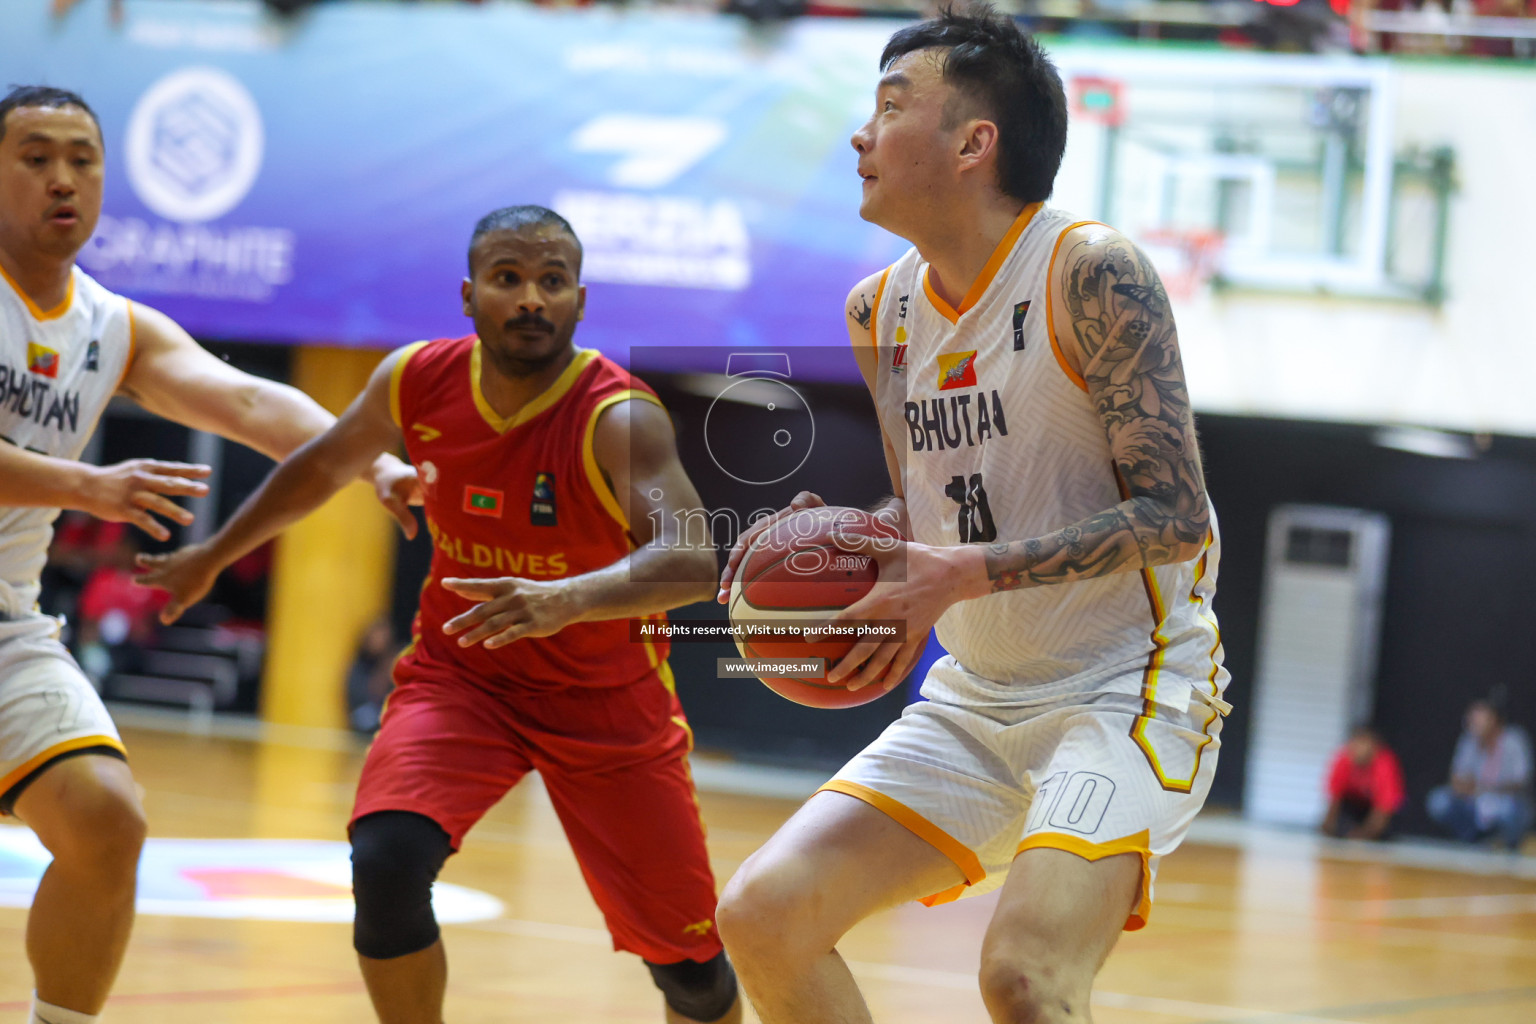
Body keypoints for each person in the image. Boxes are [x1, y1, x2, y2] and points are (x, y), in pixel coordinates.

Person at [712, 9, 1229, 1023]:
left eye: (889, 108)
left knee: (1025, 976)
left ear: (973, 142)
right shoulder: (880, 311)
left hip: (1126, 688)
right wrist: (848, 542)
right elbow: (935, 509)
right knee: (762, 913)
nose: (861, 135)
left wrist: (969, 571)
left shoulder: (1092, 274)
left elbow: (1174, 514)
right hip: (974, 699)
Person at [136, 206, 742, 1024]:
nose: (532, 298)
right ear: (469, 295)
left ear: (579, 301)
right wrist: (210, 556)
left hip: (606, 705)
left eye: (552, 281)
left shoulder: (617, 415)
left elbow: (693, 558)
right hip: (464, 683)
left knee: (692, 975)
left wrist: (565, 599)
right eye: (509, 278)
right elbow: (319, 468)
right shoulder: (414, 379)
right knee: (385, 861)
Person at [0, 85, 418, 1024]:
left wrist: (375, 463)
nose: (64, 178)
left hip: (6, 628)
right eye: (35, 157)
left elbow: (249, 405)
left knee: (107, 820)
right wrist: (88, 487)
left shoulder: (111, 326)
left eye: (82, 159)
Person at [1427, 698, 1533, 850]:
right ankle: (1471, 842)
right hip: (1473, 801)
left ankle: (1506, 846)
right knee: (1439, 800)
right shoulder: (1468, 740)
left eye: (1478, 718)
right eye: (1471, 718)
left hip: (1504, 801)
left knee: (1511, 810)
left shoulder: (1513, 740)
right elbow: (1456, 778)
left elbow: (1521, 781)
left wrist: (1485, 788)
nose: (1473, 722)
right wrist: (1468, 788)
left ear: (1493, 719)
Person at [1320, 726, 1404, 840]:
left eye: (1362, 744)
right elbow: (1335, 797)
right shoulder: (1344, 759)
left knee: (1383, 833)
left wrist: (1365, 834)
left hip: (1375, 811)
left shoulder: (1384, 763)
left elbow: (1385, 806)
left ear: (1374, 747)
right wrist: (1328, 825)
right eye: (1355, 744)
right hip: (1352, 806)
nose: (1357, 749)